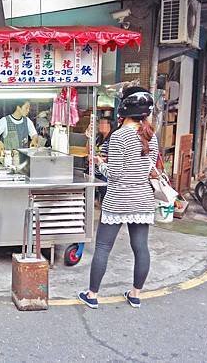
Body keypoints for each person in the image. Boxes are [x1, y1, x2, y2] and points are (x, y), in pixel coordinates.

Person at [78, 87, 158, 310]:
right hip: (143, 198)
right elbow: (149, 167)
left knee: (103, 247)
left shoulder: (119, 136)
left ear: (125, 111)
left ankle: (92, 295)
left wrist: (99, 163)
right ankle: (135, 295)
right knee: (141, 247)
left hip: (118, 198)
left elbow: (115, 174)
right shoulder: (151, 136)